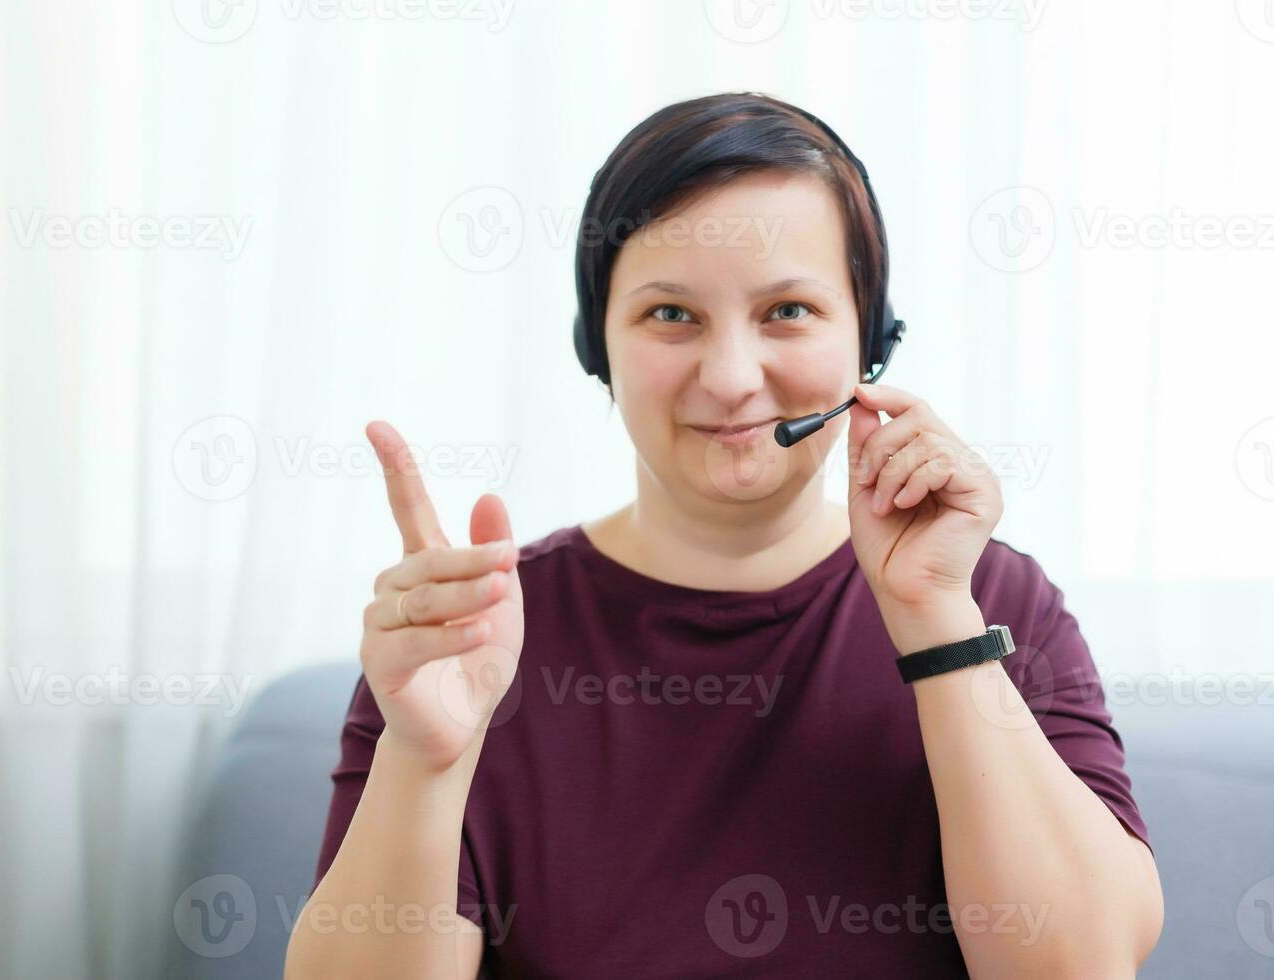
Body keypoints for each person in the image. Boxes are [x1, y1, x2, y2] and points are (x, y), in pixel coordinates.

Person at [285, 92, 1164, 978]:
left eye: (788, 310)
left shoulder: (990, 599)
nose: (733, 377)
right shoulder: (470, 632)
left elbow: (1079, 966)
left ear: (872, 344)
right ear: (600, 349)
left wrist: (939, 626)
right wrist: (423, 764)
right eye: (671, 315)